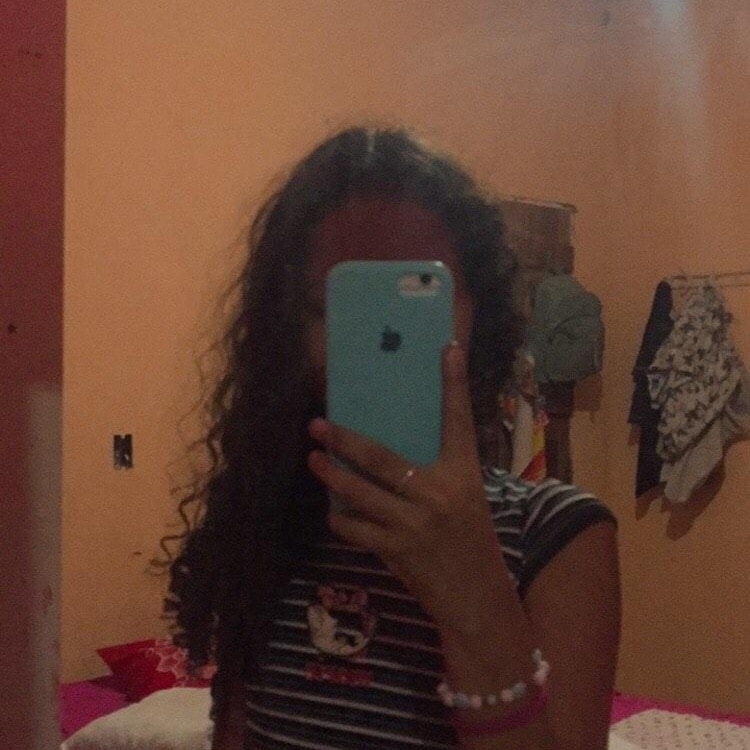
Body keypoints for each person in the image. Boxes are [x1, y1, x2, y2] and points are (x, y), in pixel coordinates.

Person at [164, 127, 621, 750]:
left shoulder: (561, 536)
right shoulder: (265, 515)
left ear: (478, 312)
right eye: (341, 305)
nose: (382, 339)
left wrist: (473, 591)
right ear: (288, 327)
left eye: (414, 298)